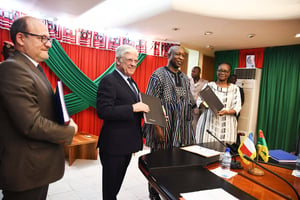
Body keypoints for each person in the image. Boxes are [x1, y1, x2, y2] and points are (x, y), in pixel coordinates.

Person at [0, 16, 78, 200]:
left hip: (36, 169)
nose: (49, 44)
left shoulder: (30, 67)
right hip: (25, 171)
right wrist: (68, 131)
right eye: (42, 38)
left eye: (49, 39)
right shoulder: (12, 69)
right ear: (21, 38)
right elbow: (31, 124)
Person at [96, 45, 150, 200]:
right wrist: (133, 107)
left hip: (126, 145)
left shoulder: (131, 82)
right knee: (110, 190)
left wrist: (153, 114)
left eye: (135, 60)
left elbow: (134, 111)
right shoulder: (109, 81)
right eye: (129, 60)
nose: (134, 63)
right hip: (113, 146)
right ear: (117, 61)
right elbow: (103, 111)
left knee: (116, 186)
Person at [143, 45, 196, 200]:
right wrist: (158, 128)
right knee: (158, 162)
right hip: (164, 126)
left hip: (182, 128)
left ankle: (170, 190)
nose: (180, 57)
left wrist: (203, 106)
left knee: (176, 163)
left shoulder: (185, 78)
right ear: (169, 55)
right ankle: (153, 194)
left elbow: (190, 101)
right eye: (177, 54)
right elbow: (150, 103)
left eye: (183, 55)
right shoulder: (158, 75)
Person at [196, 62, 241, 144]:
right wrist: (207, 104)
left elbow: (237, 107)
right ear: (217, 72)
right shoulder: (209, 85)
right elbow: (199, 101)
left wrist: (226, 111)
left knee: (223, 151)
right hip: (208, 123)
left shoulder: (235, 89)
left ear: (229, 73)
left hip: (227, 126)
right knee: (205, 149)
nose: (222, 73)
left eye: (225, 71)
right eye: (220, 70)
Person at [190, 66, 208, 132]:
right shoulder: (188, 81)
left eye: (194, 72)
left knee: (198, 124)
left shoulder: (205, 83)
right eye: (192, 71)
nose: (192, 73)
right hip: (190, 106)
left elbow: (206, 95)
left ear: (199, 73)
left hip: (200, 107)